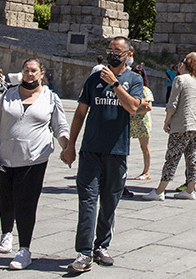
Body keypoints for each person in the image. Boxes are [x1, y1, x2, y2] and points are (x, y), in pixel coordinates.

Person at [62, 36, 148, 273]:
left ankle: (102, 246)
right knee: (87, 200)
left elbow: (133, 107)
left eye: (117, 51)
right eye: (110, 49)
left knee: (110, 202)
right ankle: (83, 252)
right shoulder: (93, 79)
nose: (112, 54)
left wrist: (115, 84)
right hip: (90, 149)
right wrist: (70, 146)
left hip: (117, 151)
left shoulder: (134, 80)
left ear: (128, 55)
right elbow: (80, 113)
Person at [0, 58, 69, 270]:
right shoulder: (7, 95)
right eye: (26, 71)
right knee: (6, 200)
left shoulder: (50, 98)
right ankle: (6, 233)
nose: (29, 74)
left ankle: (24, 249)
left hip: (34, 159)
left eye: (33, 71)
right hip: (6, 156)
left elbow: (60, 127)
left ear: (42, 73)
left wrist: (66, 147)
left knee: (26, 203)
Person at [144, 52, 196, 201]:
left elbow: (172, 104)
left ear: (184, 64)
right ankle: (190, 190)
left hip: (182, 125)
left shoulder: (180, 80)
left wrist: (167, 122)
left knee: (172, 157)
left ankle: (160, 191)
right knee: (192, 159)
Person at [129, 64, 155, 181]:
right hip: (131, 121)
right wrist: (140, 103)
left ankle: (146, 172)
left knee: (144, 147)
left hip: (142, 122)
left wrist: (135, 110)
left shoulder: (145, 90)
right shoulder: (129, 88)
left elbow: (148, 107)